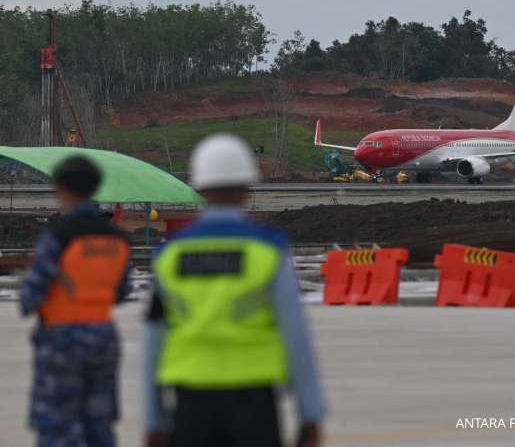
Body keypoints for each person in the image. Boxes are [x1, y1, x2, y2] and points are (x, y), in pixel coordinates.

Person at [144, 134, 326, 447]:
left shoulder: (170, 256)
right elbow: (295, 334)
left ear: (199, 187)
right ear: (246, 188)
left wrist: (153, 417)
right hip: (253, 400)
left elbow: (154, 341)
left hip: (191, 401)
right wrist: (310, 412)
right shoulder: (267, 251)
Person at [20, 156, 131, 447]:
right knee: (99, 425)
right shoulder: (117, 238)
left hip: (61, 339)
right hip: (103, 337)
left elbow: (31, 294)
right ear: (96, 188)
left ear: (60, 188)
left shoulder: (57, 235)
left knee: (58, 427)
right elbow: (121, 291)